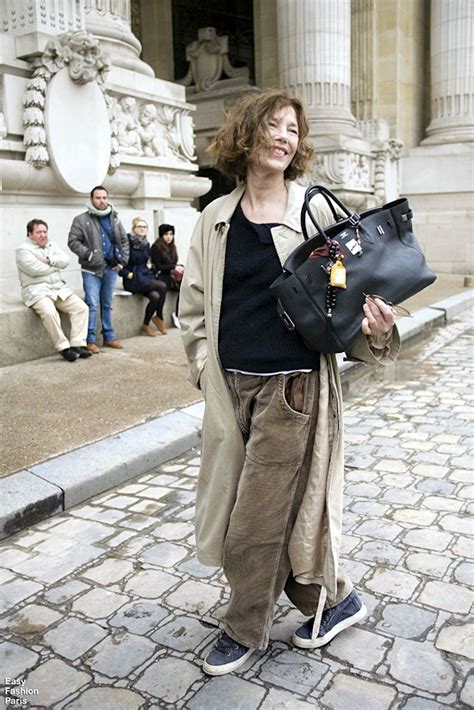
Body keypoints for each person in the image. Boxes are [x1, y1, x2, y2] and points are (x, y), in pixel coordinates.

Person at [179, 88, 400, 676]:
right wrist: (204, 367)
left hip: (294, 388)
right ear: (248, 134)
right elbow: (195, 309)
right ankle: (332, 597)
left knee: (254, 516)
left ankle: (243, 626)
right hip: (233, 389)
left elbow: (352, 293)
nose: (284, 137)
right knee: (251, 506)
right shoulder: (214, 219)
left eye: (293, 131)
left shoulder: (314, 212)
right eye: (273, 126)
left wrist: (376, 328)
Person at [16, 219, 91, 362]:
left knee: (81, 308)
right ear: (30, 234)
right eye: (39, 232)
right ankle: (63, 348)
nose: (43, 235)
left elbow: (66, 260)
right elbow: (35, 270)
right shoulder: (22, 250)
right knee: (50, 313)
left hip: (58, 288)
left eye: (45, 232)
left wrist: (48, 259)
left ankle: (77, 344)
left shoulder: (52, 245)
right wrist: (56, 265)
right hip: (37, 291)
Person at [68, 185, 129, 353]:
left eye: (104, 198)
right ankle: (90, 340)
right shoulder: (81, 219)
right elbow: (73, 241)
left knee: (107, 304)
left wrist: (122, 261)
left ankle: (109, 337)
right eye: (98, 198)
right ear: (92, 199)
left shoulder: (114, 218)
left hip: (111, 268)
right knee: (92, 304)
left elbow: (124, 240)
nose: (101, 201)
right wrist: (88, 255)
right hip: (91, 270)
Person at [119, 217, 168, 336]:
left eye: (145, 227)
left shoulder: (146, 244)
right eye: (140, 226)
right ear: (133, 228)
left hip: (144, 276)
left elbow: (146, 261)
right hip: (132, 278)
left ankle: (145, 325)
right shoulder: (127, 242)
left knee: (155, 297)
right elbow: (118, 264)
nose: (143, 229)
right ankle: (159, 317)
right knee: (162, 286)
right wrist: (127, 274)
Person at [150, 224, 183, 329]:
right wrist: (174, 266)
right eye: (166, 234)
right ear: (161, 235)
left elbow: (173, 263)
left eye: (171, 234)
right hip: (159, 275)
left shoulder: (173, 247)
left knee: (184, 286)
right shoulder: (156, 247)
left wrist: (178, 267)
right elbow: (159, 266)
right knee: (163, 287)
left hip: (170, 275)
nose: (169, 237)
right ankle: (159, 316)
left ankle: (177, 314)